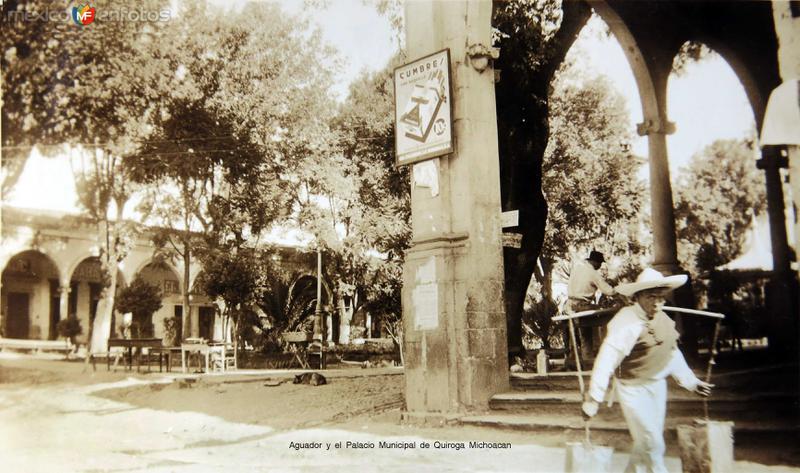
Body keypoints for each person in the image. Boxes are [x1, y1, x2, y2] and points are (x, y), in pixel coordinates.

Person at [581, 268, 713, 473]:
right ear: (638, 297)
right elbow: (606, 360)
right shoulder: (626, 322)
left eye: (661, 298)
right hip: (632, 389)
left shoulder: (664, 319)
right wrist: (594, 398)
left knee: (645, 443)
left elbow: (671, 353)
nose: (657, 303)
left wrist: (692, 382)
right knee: (653, 442)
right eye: (651, 297)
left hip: (657, 386)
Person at [565, 250, 616, 363]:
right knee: (594, 328)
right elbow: (608, 290)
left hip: (569, 305)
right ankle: (592, 358)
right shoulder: (592, 273)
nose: (600, 266)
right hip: (581, 305)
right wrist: (619, 292)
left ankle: (577, 359)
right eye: (600, 263)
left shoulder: (577, 268)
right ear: (595, 262)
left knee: (578, 335)